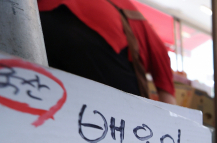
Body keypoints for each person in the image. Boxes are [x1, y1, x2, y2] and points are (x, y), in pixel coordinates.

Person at [38, 0, 176, 104]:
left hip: (39, 15)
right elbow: (168, 100)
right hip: (97, 34)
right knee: (129, 116)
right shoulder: (157, 45)